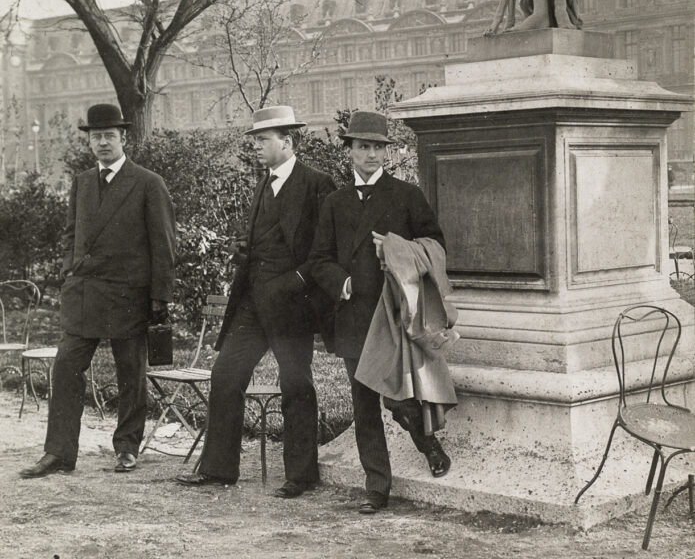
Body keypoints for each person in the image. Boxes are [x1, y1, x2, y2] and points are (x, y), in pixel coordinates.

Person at [177, 105, 335, 497]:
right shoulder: (262, 184)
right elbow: (264, 240)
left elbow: (325, 247)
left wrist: (296, 280)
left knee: (295, 383)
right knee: (226, 375)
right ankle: (218, 470)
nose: (257, 147)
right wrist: (242, 252)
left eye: (263, 140)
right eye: (256, 140)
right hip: (251, 303)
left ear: (287, 141)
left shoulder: (317, 184)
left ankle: (301, 475)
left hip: (293, 305)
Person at [20, 103, 176, 478]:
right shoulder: (83, 182)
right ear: (89, 142)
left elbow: (165, 244)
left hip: (128, 295)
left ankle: (127, 447)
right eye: (96, 137)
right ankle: (58, 453)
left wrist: (159, 299)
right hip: (85, 293)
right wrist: (68, 271)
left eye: (109, 136)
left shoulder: (148, 183)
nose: (102, 143)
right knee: (67, 367)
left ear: (124, 138)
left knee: (130, 373)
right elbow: (73, 235)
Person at [310, 110, 451, 515]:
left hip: (394, 312)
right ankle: (377, 487)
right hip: (355, 313)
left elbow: (435, 245)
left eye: (377, 147)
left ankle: (428, 444)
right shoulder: (334, 203)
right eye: (362, 146)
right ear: (349, 151)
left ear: (386, 151)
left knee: (398, 398)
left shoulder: (407, 196)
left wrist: (395, 249)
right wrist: (341, 282)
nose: (370, 154)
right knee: (363, 403)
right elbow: (319, 257)